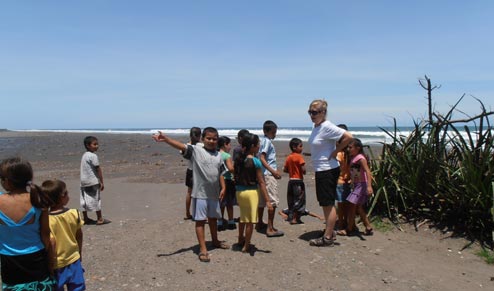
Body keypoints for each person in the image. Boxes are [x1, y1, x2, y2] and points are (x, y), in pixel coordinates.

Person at [152, 127, 229, 262]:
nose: (211, 141)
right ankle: (203, 248)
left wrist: (223, 187)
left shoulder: (218, 155)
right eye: (208, 138)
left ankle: (215, 240)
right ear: (203, 139)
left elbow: (220, 172)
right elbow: (181, 146)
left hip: (214, 194)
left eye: (214, 139)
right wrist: (166, 139)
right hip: (200, 193)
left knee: (213, 219)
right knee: (200, 221)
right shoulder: (196, 150)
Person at [0, 157, 57, 290]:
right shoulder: (37, 200)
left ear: (7, 182)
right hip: (36, 258)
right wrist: (50, 262)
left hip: (9, 260)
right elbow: (45, 235)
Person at [307, 99, 353, 246]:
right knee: (325, 203)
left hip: (327, 169)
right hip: (322, 170)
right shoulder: (317, 126)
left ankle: (328, 237)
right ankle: (329, 231)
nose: (312, 115)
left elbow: (348, 137)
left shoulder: (327, 126)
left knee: (328, 204)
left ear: (323, 112)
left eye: (315, 112)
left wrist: (335, 152)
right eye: (310, 112)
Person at [234, 133, 273, 253]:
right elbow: (261, 182)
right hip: (251, 193)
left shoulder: (239, 159)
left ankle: (240, 238)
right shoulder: (256, 161)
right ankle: (246, 245)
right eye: (258, 145)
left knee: (243, 217)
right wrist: (267, 200)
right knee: (250, 221)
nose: (259, 146)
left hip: (239, 192)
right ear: (253, 146)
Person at [43, 179, 85, 291]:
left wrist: (50, 263)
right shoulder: (74, 213)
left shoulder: (46, 219)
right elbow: (79, 235)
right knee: (77, 287)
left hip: (57, 263)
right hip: (73, 259)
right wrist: (79, 253)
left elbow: (51, 243)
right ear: (62, 197)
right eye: (66, 193)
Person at [338, 138, 374, 236]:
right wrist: (351, 181)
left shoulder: (360, 158)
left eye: (351, 147)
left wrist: (369, 186)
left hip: (362, 185)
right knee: (358, 207)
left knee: (352, 205)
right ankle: (368, 226)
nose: (348, 149)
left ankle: (349, 228)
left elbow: (367, 171)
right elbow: (354, 173)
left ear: (357, 148)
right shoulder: (353, 157)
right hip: (357, 185)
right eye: (348, 147)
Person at [257, 120, 284, 237]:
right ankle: (270, 228)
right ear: (266, 131)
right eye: (273, 132)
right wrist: (274, 172)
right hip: (268, 175)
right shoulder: (267, 142)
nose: (275, 134)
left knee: (262, 201)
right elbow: (262, 158)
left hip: (263, 175)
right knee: (272, 202)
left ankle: (259, 223)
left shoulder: (262, 141)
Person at [80, 136, 109, 225]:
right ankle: (99, 218)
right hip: (92, 181)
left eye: (97, 144)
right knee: (96, 199)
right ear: (88, 145)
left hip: (83, 181)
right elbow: (98, 169)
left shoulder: (84, 155)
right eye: (95, 144)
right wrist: (101, 182)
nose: (97, 146)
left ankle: (85, 218)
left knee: (84, 199)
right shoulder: (93, 156)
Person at [282, 138, 307, 224]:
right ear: (294, 147)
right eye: (300, 146)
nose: (302, 148)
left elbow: (285, 170)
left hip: (291, 181)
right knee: (299, 200)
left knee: (291, 200)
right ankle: (295, 219)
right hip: (298, 181)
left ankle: (291, 217)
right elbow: (303, 169)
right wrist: (302, 171)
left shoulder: (289, 157)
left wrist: (292, 171)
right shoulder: (299, 157)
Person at [217, 136, 236, 231]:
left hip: (218, 180)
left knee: (221, 202)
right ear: (225, 144)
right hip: (227, 180)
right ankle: (231, 221)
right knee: (229, 202)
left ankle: (220, 222)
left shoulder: (216, 154)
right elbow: (230, 168)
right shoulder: (227, 156)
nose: (230, 147)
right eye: (229, 144)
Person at [335, 124, 351, 230]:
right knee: (347, 203)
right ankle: (346, 221)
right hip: (349, 181)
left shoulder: (339, 153)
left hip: (340, 181)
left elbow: (337, 168)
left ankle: (341, 223)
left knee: (341, 204)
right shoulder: (350, 152)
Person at [184, 127, 202, 220]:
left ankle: (188, 212)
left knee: (189, 192)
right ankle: (198, 213)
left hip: (190, 170)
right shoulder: (201, 146)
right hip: (199, 171)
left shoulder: (187, 146)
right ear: (200, 136)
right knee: (200, 193)